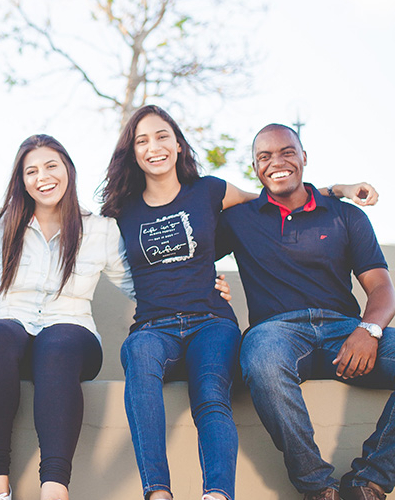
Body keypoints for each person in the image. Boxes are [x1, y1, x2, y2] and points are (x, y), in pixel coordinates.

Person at [99, 105, 374, 500]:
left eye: (162, 136)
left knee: (211, 394)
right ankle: (157, 492)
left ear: (178, 144)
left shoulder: (210, 190)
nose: (153, 147)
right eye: (142, 140)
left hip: (211, 320)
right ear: (133, 151)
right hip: (152, 326)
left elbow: (278, 196)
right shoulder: (121, 210)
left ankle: (217, 494)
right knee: (138, 362)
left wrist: (338, 190)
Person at [0, 134, 143, 500]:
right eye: (31, 171)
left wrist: (197, 287)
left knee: (58, 341)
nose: (43, 177)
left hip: (73, 341)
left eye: (51, 166)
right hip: (12, 343)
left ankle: (54, 490)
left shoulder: (100, 230)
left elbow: (140, 287)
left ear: (68, 168)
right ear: (21, 181)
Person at [216, 123, 395, 500]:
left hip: (345, 333)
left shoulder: (345, 215)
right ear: (254, 167)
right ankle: (317, 487)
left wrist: (370, 330)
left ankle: (371, 481)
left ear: (304, 158)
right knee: (261, 360)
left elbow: (381, 287)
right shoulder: (240, 218)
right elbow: (187, 230)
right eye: (264, 157)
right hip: (276, 333)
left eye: (286, 152)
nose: (276, 162)